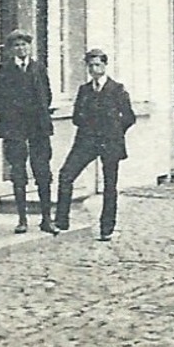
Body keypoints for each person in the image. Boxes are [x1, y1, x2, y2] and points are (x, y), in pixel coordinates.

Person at [53, 48, 136, 242]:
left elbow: (129, 117)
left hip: (110, 142)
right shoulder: (84, 90)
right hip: (87, 141)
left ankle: (107, 228)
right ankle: (61, 221)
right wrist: (88, 125)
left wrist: (115, 132)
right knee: (66, 175)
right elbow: (76, 117)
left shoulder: (117, 89)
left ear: (105, 66)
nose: (94, 69)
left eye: (98, 64)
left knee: (109, 185)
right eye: (90, 66)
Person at [0, 29, 57, 235]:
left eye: (24, 45)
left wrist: (41, 114)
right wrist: (12, 113)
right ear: (11, 50)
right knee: (18, 173)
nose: (21, 49)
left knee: (42, 172)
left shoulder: (38, 68)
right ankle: (22, 219)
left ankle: (46, 218)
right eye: (16, 46)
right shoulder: (4, 70)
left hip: (38, 128)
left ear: (30, 47)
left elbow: (47, 95)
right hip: (15, 128)